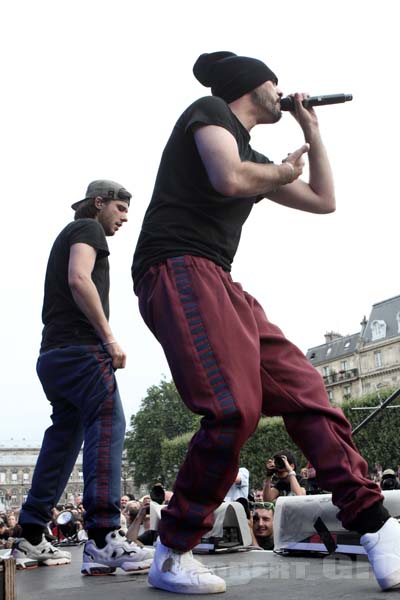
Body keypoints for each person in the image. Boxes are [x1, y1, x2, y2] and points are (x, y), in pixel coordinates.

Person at [132, 50, 400, 594]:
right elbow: (228, 175)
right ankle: (173, 551)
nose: (282, 90)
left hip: (221, 280)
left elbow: (324, 200)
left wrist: (312, 129)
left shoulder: (254, 153)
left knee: (307, 391)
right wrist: (281, 169)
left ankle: (377, 528)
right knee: (232, 410)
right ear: (252, 85)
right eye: (274, 83)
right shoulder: (208, 112)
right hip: (177, 265)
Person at [13, 180, 153, 575]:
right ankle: (105, 537)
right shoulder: (87, 229)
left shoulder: (68, 233)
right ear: (99, 203)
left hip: (53, 355)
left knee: (64, 439)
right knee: (108, 423)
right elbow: (79, 278)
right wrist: (109, 337)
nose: (125, 217)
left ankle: (31, 532)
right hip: (80, 351)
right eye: (121, 208)